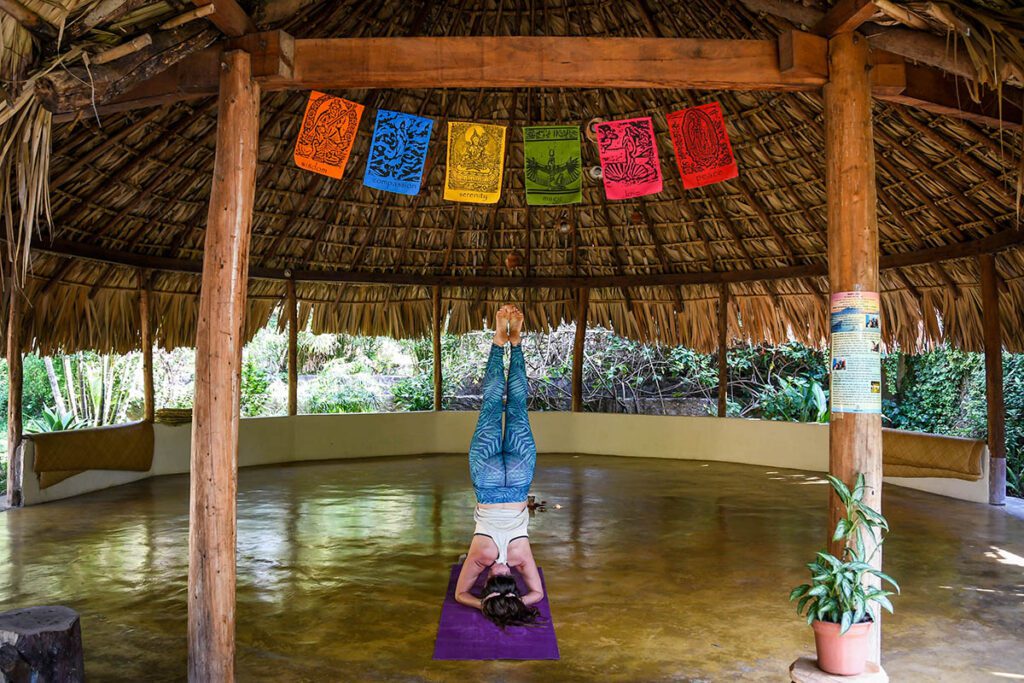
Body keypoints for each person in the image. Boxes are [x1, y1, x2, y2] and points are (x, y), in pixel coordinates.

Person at [454, 305, 543, 628]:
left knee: (518, 406)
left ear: (512, 587)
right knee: (491, 405)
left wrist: (514, 601)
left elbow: (538, 594)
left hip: (518, 479)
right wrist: (485, 603)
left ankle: (516, 343)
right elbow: (461, 595)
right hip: (487, 480)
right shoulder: (481, 558)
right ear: (488, 583)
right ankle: (497, 341)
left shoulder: (521, 558)